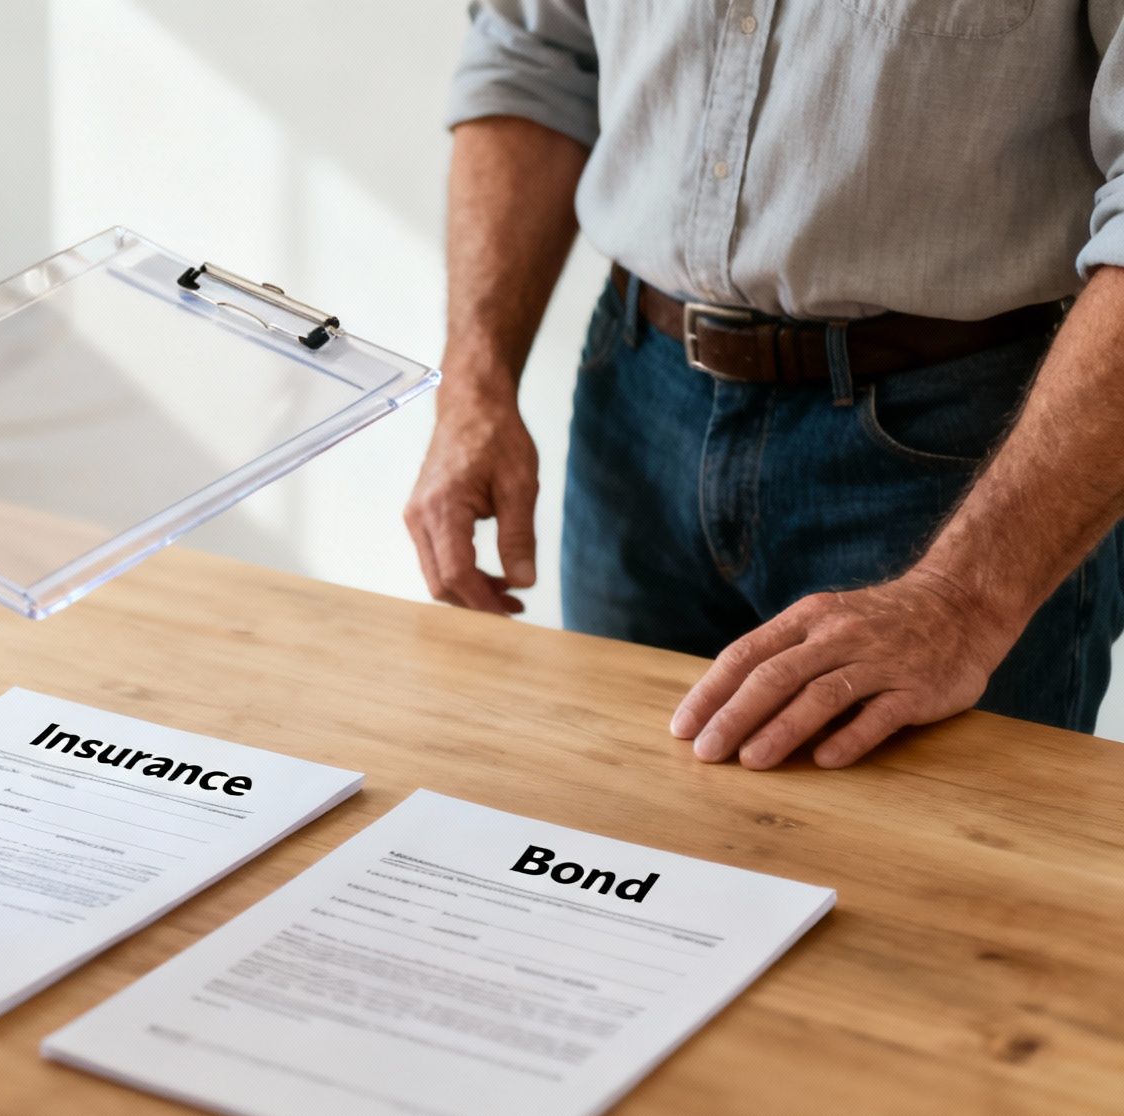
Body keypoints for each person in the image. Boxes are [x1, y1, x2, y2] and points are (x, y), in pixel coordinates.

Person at [403, 2, 1124, 770]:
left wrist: (964, 598)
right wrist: (473, 383)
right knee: (615, 836)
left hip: (963, 450)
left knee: (905, 878)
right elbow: (534, 52)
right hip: (636, 403)